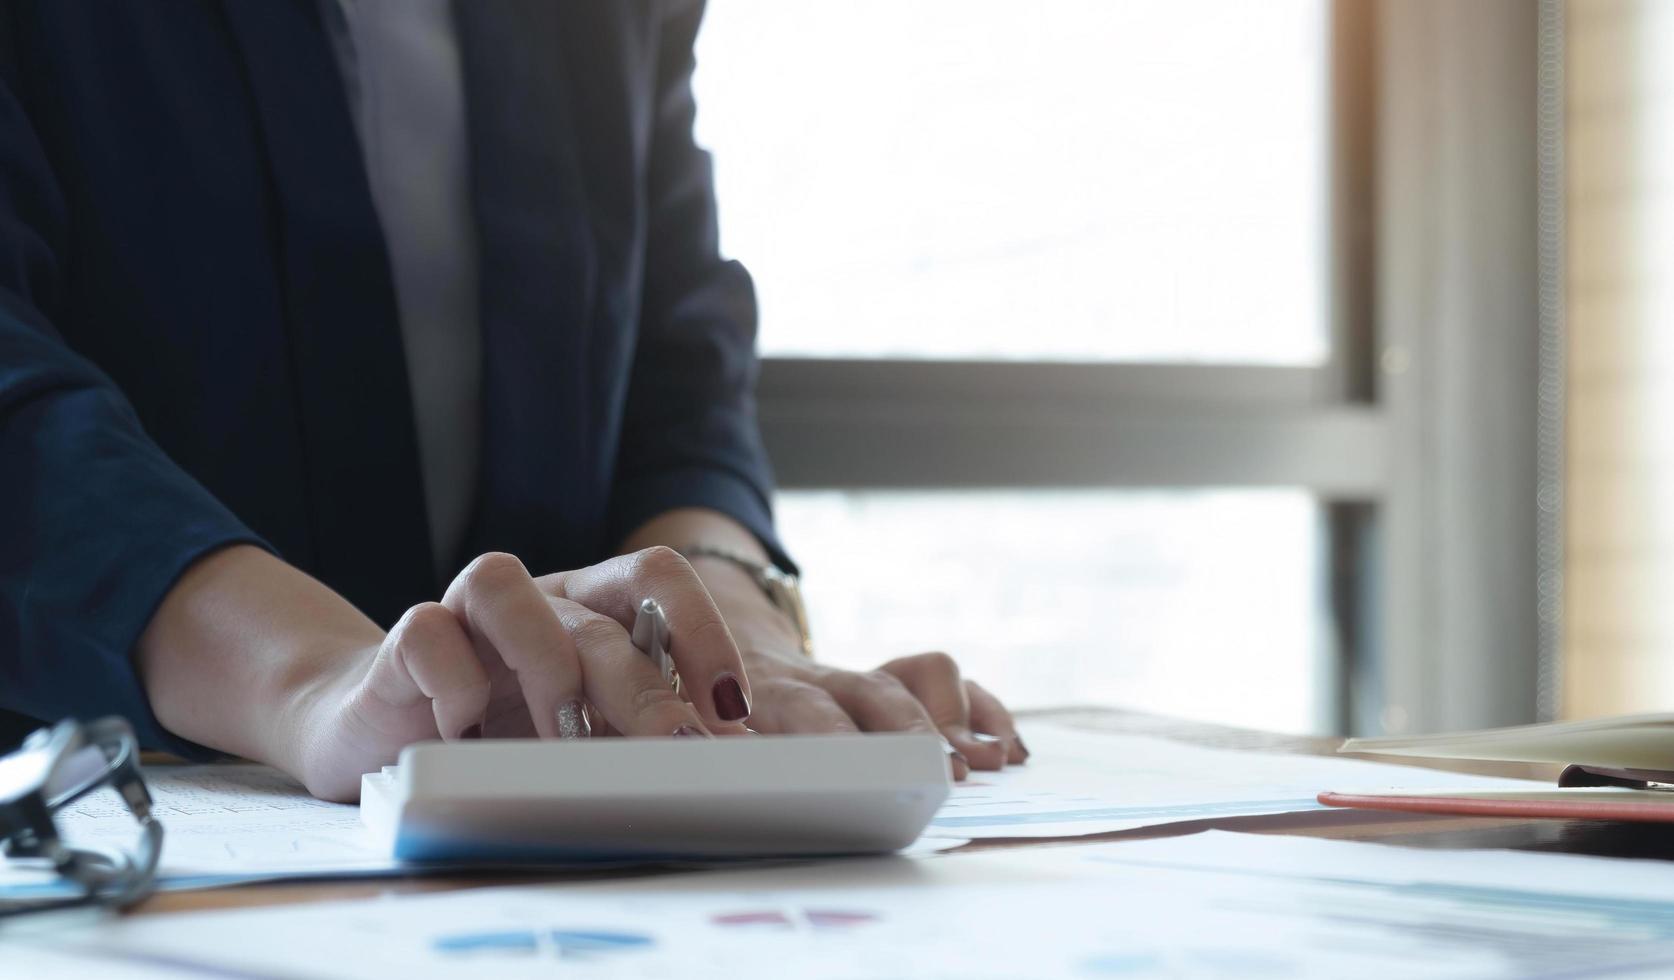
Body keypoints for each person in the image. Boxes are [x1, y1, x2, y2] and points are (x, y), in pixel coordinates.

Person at [0, 0, 1024, 802]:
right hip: (117, 810)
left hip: (573, 830)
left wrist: (724, 630)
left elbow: (675, 369)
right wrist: (314, 680)